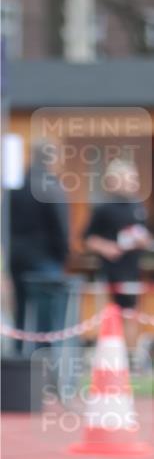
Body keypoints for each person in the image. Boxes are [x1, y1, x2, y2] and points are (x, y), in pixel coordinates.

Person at [83, 159, 152, 349]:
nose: (134, 183)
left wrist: (142, 241)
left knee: (131, 312)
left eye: (134, 179)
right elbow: (88, 238)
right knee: (108, 312)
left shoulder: (138, 207)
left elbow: (146, 235)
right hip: (109, 270)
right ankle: (105, 352)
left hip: (132, 268)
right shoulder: (103, 208)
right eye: (130, 179)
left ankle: (130, 355)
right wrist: (107, 247)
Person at [9, 141, 70, 350]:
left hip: (17, 256)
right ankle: (43, 364)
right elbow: (61, 225)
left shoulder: (16, 185)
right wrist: (64, 255)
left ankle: (18, 358)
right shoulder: (51, 186)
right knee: (47, 318)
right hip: (46, 258)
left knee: (21, 312)